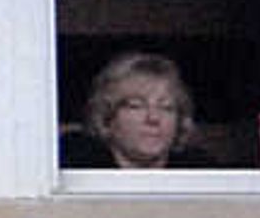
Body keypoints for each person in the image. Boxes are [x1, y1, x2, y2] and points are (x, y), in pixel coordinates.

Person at [59, 49, 214, 171]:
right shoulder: (76, 166)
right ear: (107, 118)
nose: (153, 118)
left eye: (167, 108)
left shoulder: (201, 174)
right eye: (136, 106)